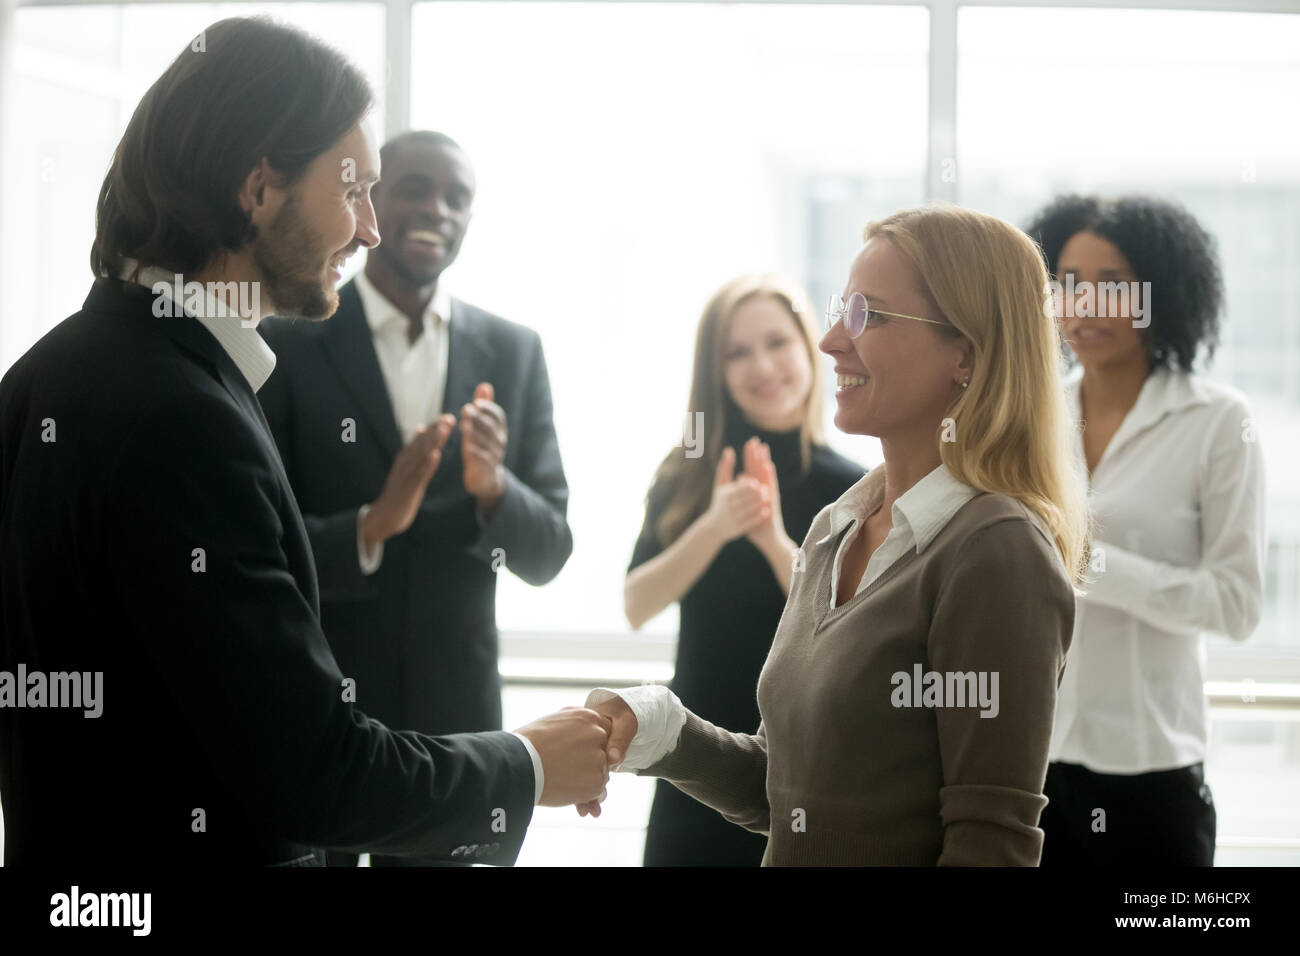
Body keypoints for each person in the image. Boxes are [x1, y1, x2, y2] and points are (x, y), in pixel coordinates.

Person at [0, 17, 608, 866]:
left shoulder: (48, 372)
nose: (369, 230)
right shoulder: (185, 418)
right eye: (355, 190)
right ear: (258, 187)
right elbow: (314, 774)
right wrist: (533, 762)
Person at [581, 204, 1089, 865]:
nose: (828, 343)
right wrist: (653, 725)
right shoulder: (836, 525)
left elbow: (990, 842)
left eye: (868, 317)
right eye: (841, 310)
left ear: (964, 352)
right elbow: (786, 790)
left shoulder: (996, 549)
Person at [257, 130, 573, 867]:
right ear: (369, 198)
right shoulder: (287, 341)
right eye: (415, 187)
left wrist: (495, 488)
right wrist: (371, 526)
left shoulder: (513, 350)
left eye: (457, 197)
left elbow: (551, 551)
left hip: (457, 726)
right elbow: (262, 541)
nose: (438, 208)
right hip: (321, 715)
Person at [1025, 195, 1267, 866]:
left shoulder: (1217, 421)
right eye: (1068, 283)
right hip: (1031, 764)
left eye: (1113, 285)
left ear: (1159, 296)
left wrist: (1090, 562)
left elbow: (1237, 604)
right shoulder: (1034, 416)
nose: (1086, 305)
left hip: (1152, 772)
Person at [624, 275, 863, 866]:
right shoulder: (686, 473)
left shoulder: (856, 486)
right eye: (737, 352)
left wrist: (771, 539)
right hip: (691, 761)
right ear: (717, 370)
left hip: (802, 766)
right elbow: (636, 605)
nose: (762, 365)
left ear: (809, 349)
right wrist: (715, 526)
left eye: (777, 342)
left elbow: (848, 627)